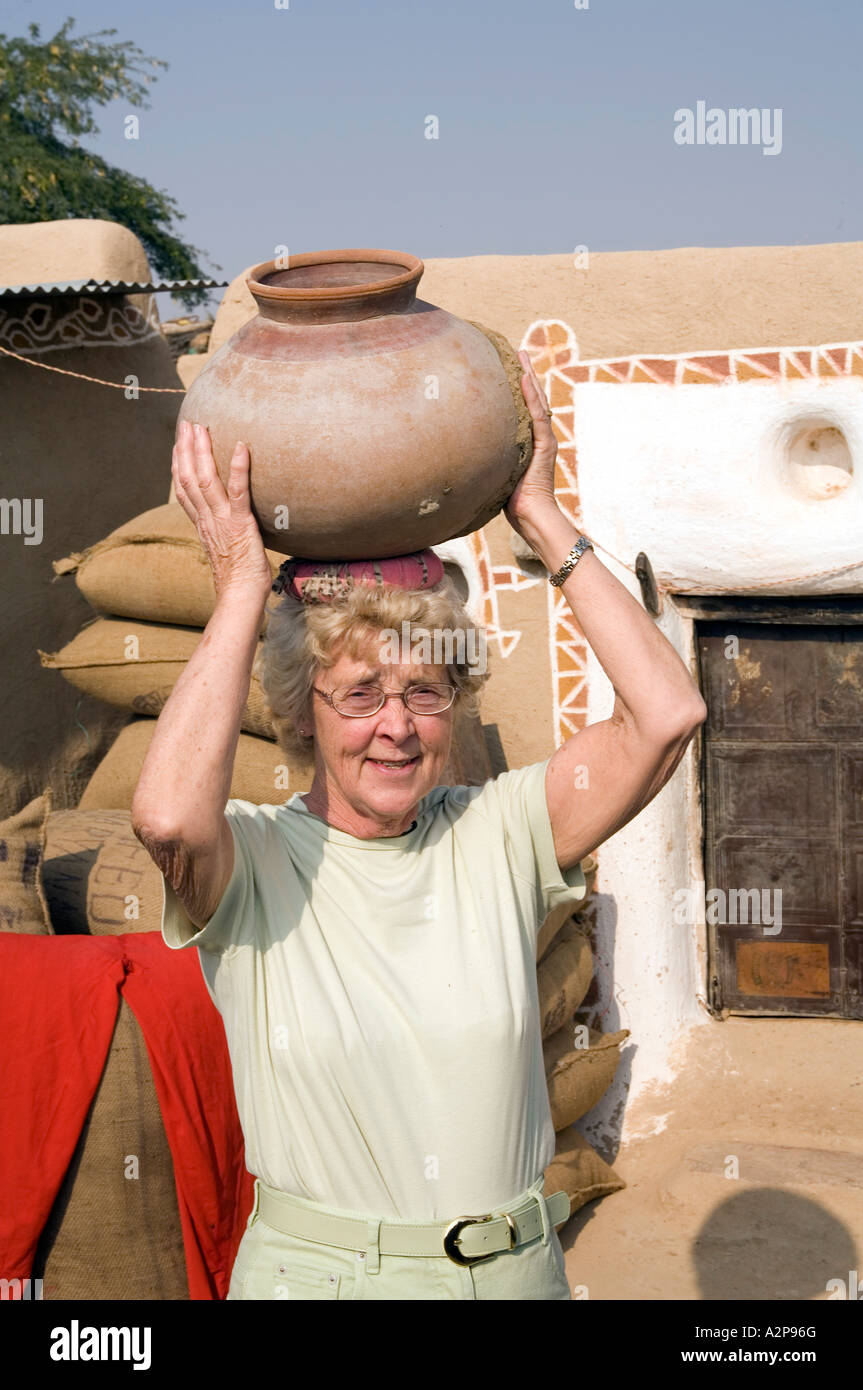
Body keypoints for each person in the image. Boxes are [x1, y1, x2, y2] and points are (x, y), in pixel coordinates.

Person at [131, 351, 706, 1300]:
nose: (395, 727)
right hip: (323, 1280)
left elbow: (666, 715)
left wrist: (540, 520)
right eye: (359, 694)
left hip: (516, 1274)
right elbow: (163, 816)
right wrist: (240, 585)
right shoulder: (254, 862)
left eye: (425, 692)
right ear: (301, 706)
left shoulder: (500, 832)